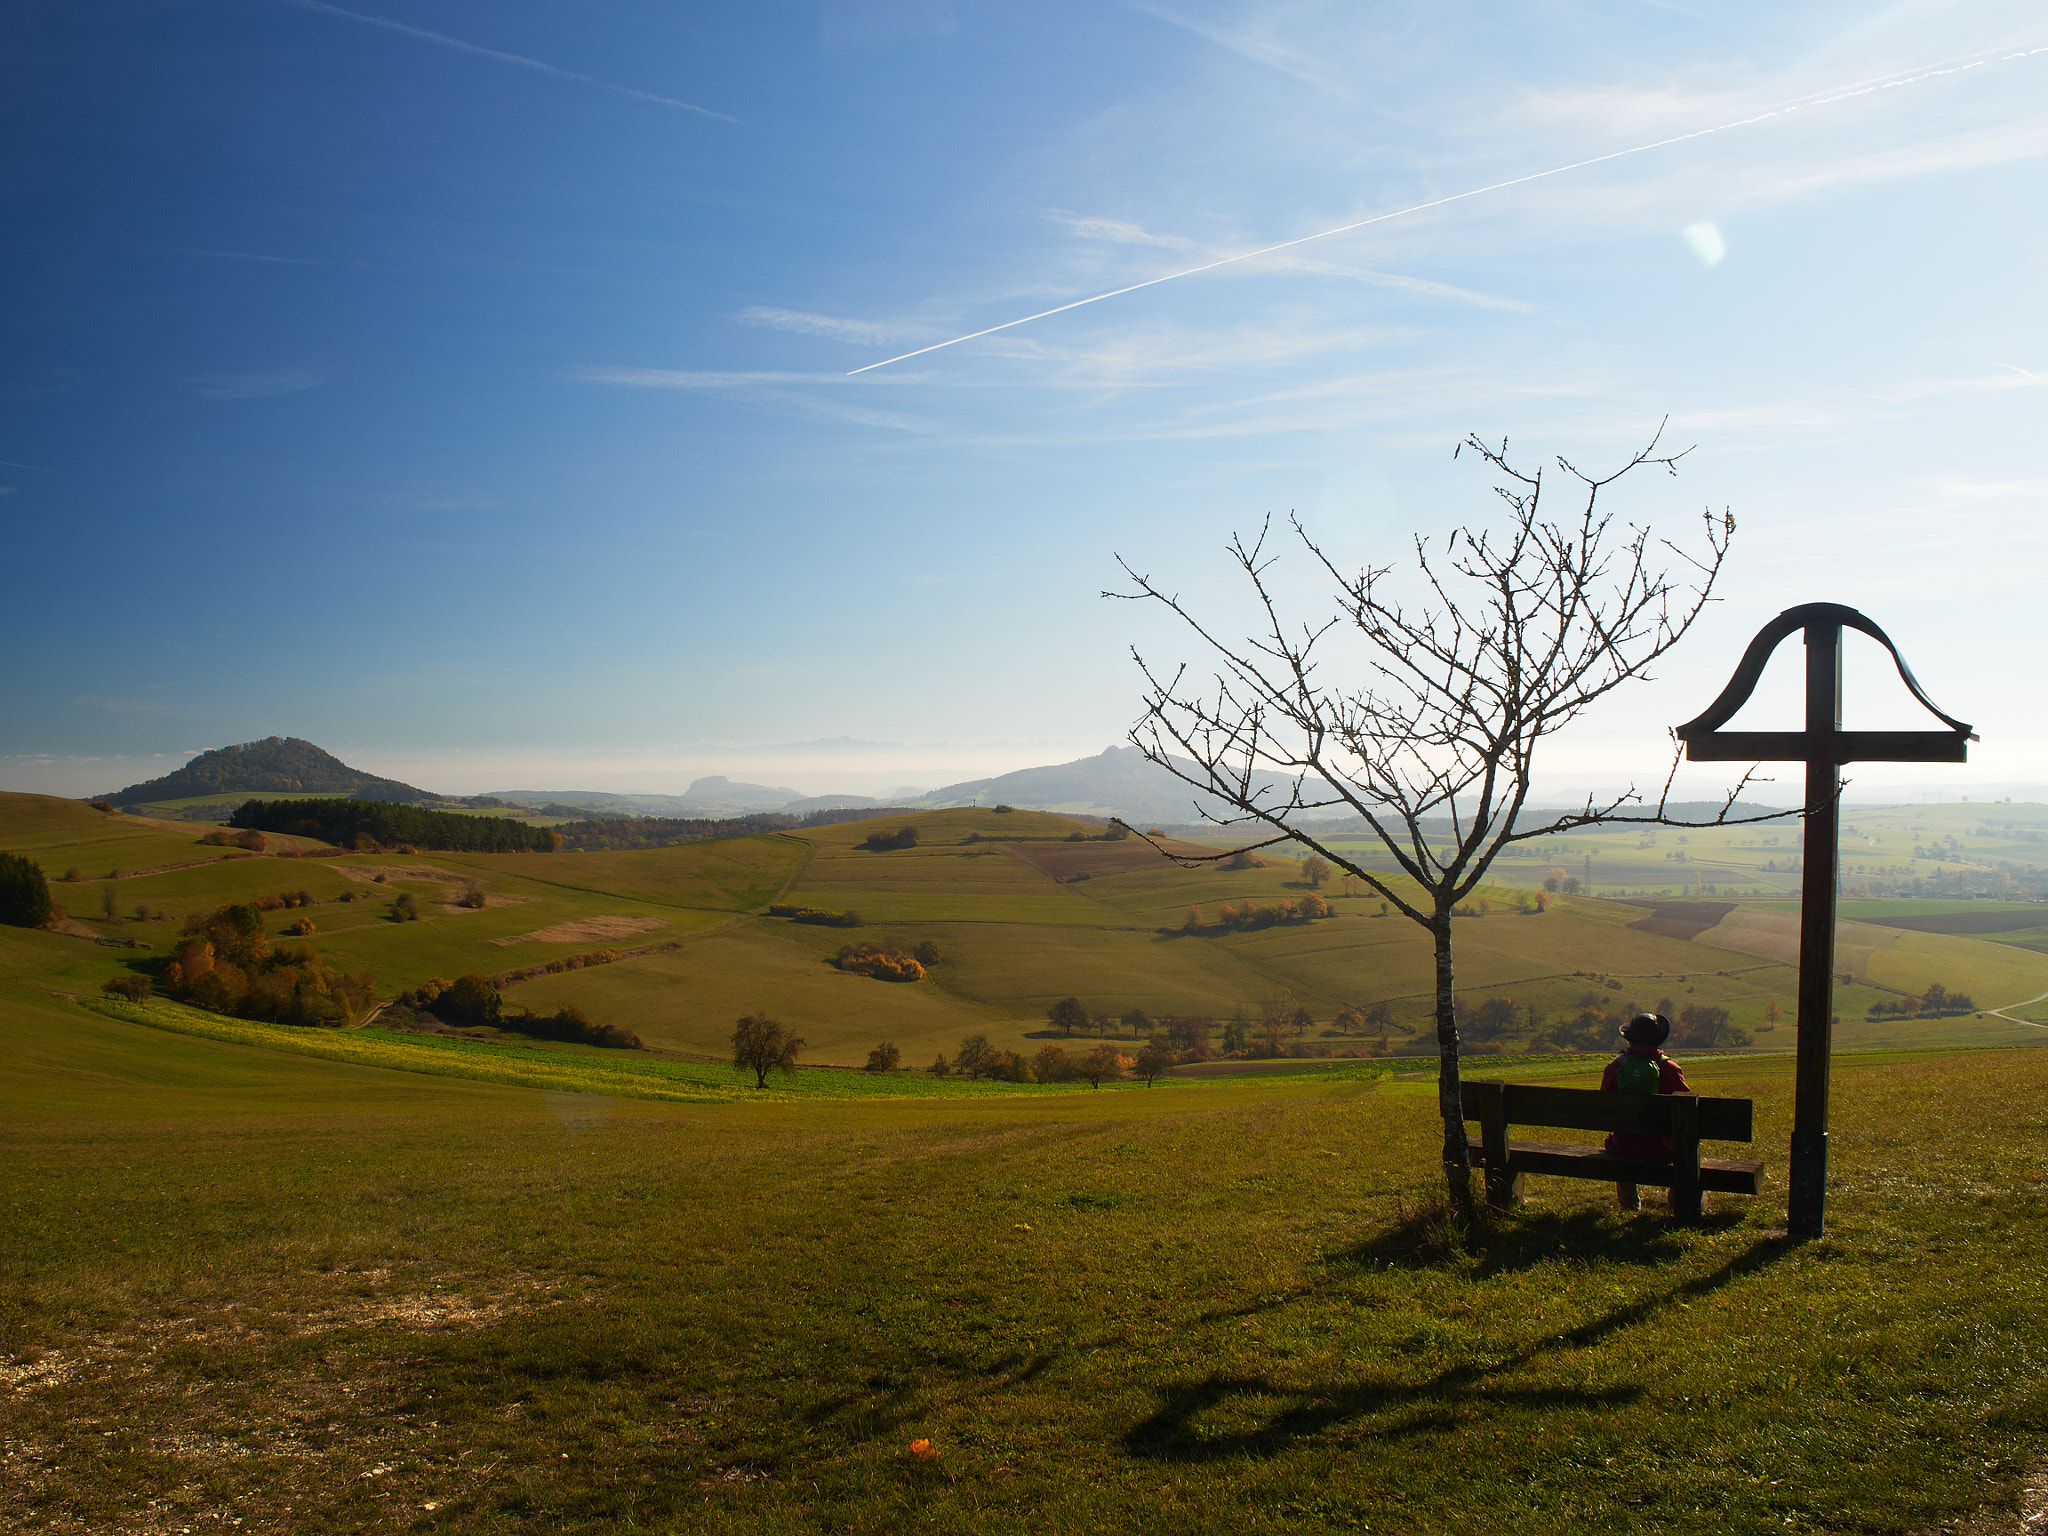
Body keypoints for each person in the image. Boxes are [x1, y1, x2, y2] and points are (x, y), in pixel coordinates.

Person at [1600, 1012, 1691, 1211]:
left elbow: (1603, 1106)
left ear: (1630, 1039)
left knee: (1624, 1139)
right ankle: (1677, 1205)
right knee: (1687, 1150)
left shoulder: (1614, 1068)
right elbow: (1689, 1113)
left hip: (1623, 1145)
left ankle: (1629, 1205)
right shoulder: (1670, 1070)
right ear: (1657, 1039)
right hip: (1663, 1148)